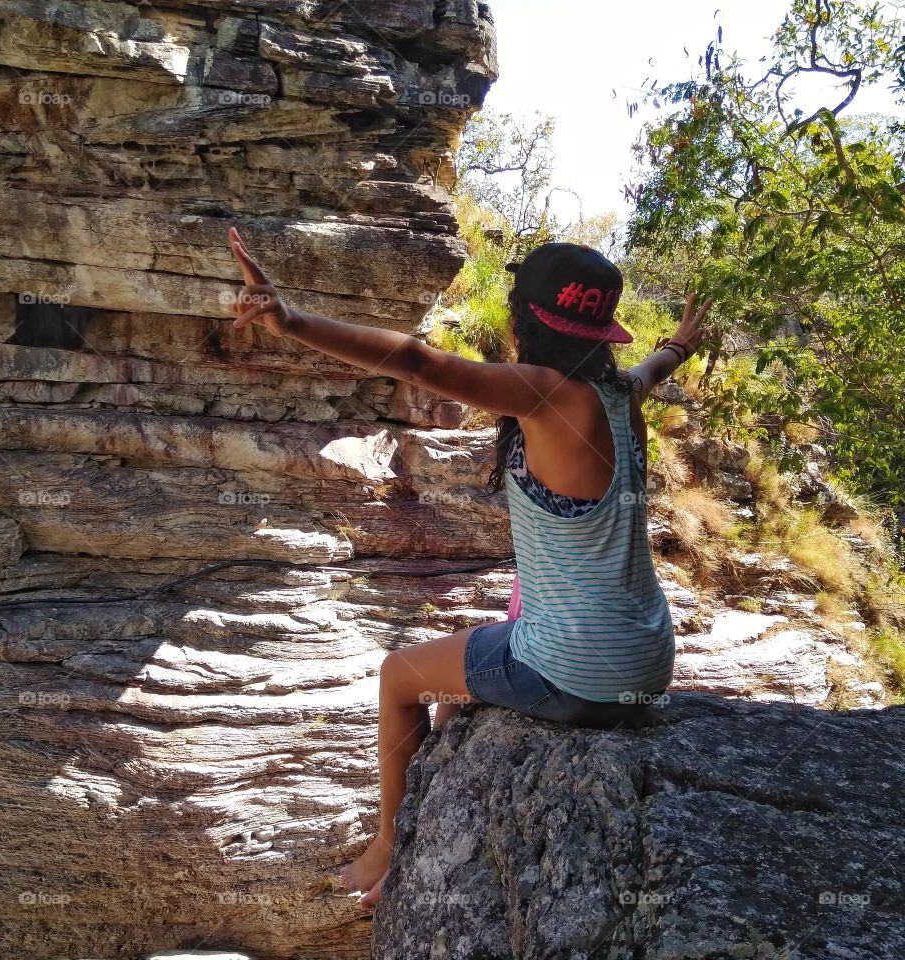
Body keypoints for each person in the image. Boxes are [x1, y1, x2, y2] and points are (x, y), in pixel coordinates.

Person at [227, 226, 713, 908]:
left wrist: (291, 318)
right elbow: (654, 367)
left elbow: (421, 364)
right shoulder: (620, 393)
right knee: (459, 688)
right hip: (646, 662)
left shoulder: (545, 394)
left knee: (401, 676)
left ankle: (388, 845)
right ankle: (435, 788)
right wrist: (680, 346)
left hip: (578, 673)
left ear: (527, 322)